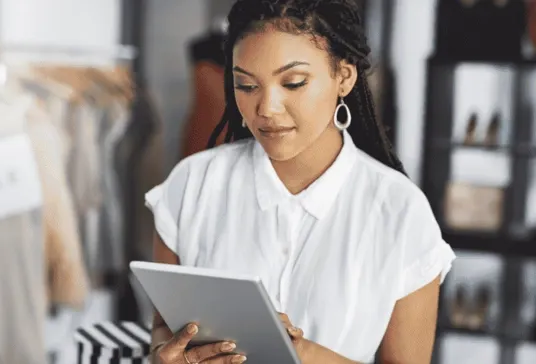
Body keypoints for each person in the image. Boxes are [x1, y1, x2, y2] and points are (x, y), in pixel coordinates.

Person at [144, 0, 454, 363]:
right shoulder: (191, 186)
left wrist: (302, 355)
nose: (267, 108)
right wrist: (167, 358)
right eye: (246, 85)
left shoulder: (400, 212)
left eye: (293, 83)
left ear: (344, 77)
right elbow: (163, 334)